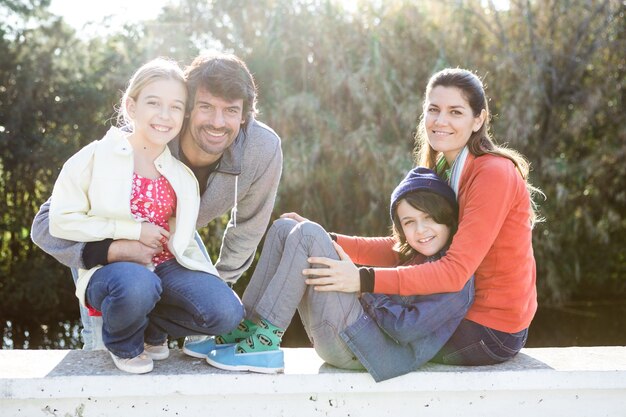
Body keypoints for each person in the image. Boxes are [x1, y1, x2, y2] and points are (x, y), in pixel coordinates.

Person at [31, 52, 283, 351]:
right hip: (111, 243)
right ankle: (107, 331)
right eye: (205, 107)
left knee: (222, 311)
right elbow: (48, 225)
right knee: (100, 347)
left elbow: (249, 226)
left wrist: (218, 286)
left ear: (244, 116)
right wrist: (114, 249)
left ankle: (152, 327)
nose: (217, 122)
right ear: (188, 108)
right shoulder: (140, 139)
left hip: (174, 237)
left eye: (230, 110)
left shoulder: (262, 148)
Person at [298, 68, 540, 366]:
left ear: (479, 119)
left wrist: (362, 279)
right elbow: (410, 245)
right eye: (433, 109)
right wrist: (327, 239)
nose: (441, 121)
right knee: (362, 314)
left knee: (365, 324)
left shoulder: (492, 173)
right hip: (457, 311)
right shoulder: (446, 169)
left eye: (455, 112)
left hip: (489, 331)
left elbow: (454, 272)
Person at [190, 167, 473, 382]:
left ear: (447, 217)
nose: (420, 230)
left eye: (429, 218)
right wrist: (328, 240)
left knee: (308, 234)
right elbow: (369, 246)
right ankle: (248, 330)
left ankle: (264, 343)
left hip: (371, 355)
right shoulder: (416, 253)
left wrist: (363, 289)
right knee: (283, 228)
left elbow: (406, 329)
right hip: (350, 337)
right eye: (409, 222)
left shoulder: (455, 276)